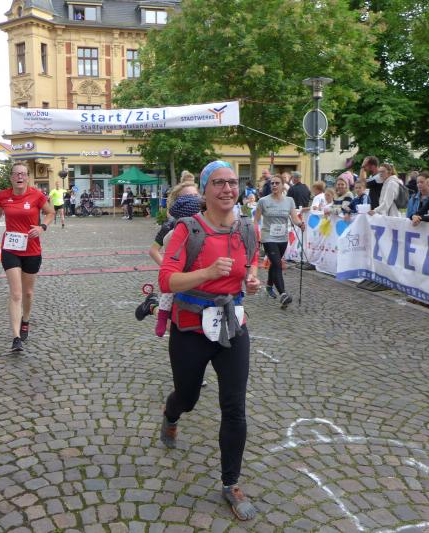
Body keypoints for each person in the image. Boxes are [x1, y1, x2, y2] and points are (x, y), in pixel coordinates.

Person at [158, 160, 261, 521]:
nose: (227, 189)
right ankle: (171, 414)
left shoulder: (248, 228)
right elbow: (167, 280)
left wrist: (251, 280)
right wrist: (205, 273)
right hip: (190, 327)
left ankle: (230, 483)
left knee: (234, 407)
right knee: (187, 397)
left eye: (232, 182)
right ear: (205, 190)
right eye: (218, 183)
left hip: (232, 324)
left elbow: (252, 262)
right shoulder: (188, 230)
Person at [0, 163, 55, 352]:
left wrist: (42, 227)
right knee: (16, 293)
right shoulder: (3, 196)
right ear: (11, 177)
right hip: (10, 249)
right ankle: (16, 337)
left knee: (28, 293)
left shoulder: (37, 195)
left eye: (23, 174)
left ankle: (25, 320)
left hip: (32, 250)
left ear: (27, 177)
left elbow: (50, 212)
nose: (20, 177)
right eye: (16, 174)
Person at [138, 182, 203, 336]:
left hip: (198, 280)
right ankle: (152, 306)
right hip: (177, 278)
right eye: (189, 196)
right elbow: (153, 251)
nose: (194, 199)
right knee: (172, 325)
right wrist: (171, 270)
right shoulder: (171, 225)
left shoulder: (207, 220)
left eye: (196, 195)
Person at [255, 174, 303, 308]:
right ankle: (283, 294)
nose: (274, 185)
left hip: (282, 238)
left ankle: (269, 286)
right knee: (277, 263)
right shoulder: (263, 201)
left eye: (277, 183)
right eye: (272, 183)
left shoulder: (289, 201)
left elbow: (294, 218)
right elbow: (256, 220)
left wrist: (300, 224)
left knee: (275, 264)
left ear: (283, 186)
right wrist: (255, 234)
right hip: (268, 237)